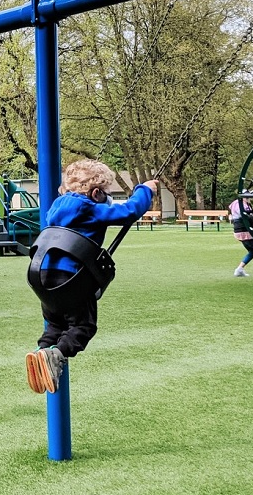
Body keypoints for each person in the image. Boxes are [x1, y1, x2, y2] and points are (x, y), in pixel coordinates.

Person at [24, 159, 158, 395]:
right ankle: (56, 354)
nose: (108, 198)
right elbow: (130, 211)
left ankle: (41, 354)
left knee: (56, 323)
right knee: (83, 325)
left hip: (43, 277)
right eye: (107, 193)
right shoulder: (91, 209)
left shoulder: (55, 208)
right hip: (72, 279)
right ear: (96, 193)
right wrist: (145, 189)